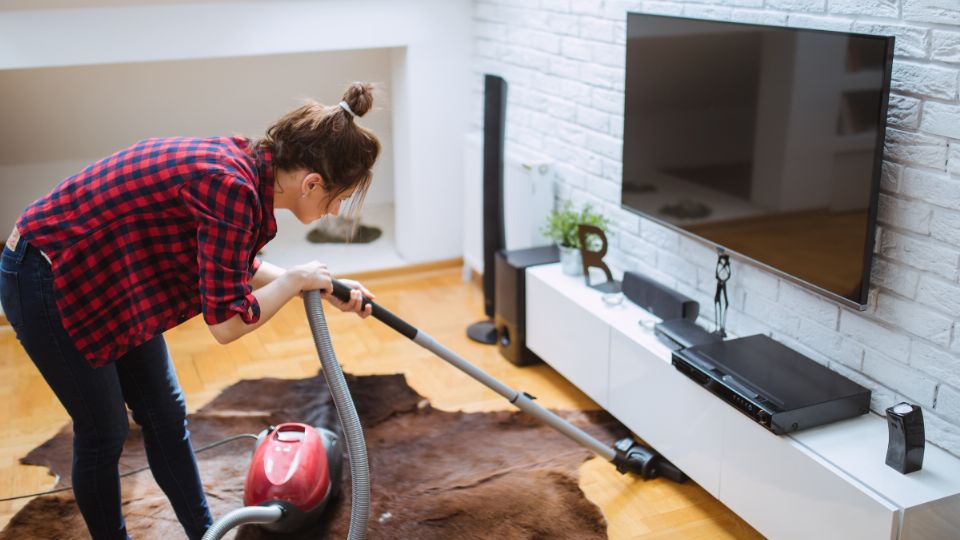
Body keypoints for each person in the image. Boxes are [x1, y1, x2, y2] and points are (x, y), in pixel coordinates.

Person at [0, 82, 381, 540]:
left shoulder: (244, 167)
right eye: (338, 198)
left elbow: (230, 258)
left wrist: (320, 288)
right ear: (312, 183)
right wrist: (295, 280)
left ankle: (206, 532)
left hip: (109, 275)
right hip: (47, 272)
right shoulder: (233, 186)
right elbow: (226, 323)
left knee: (165, 413)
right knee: (103, 431)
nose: (335, 210)